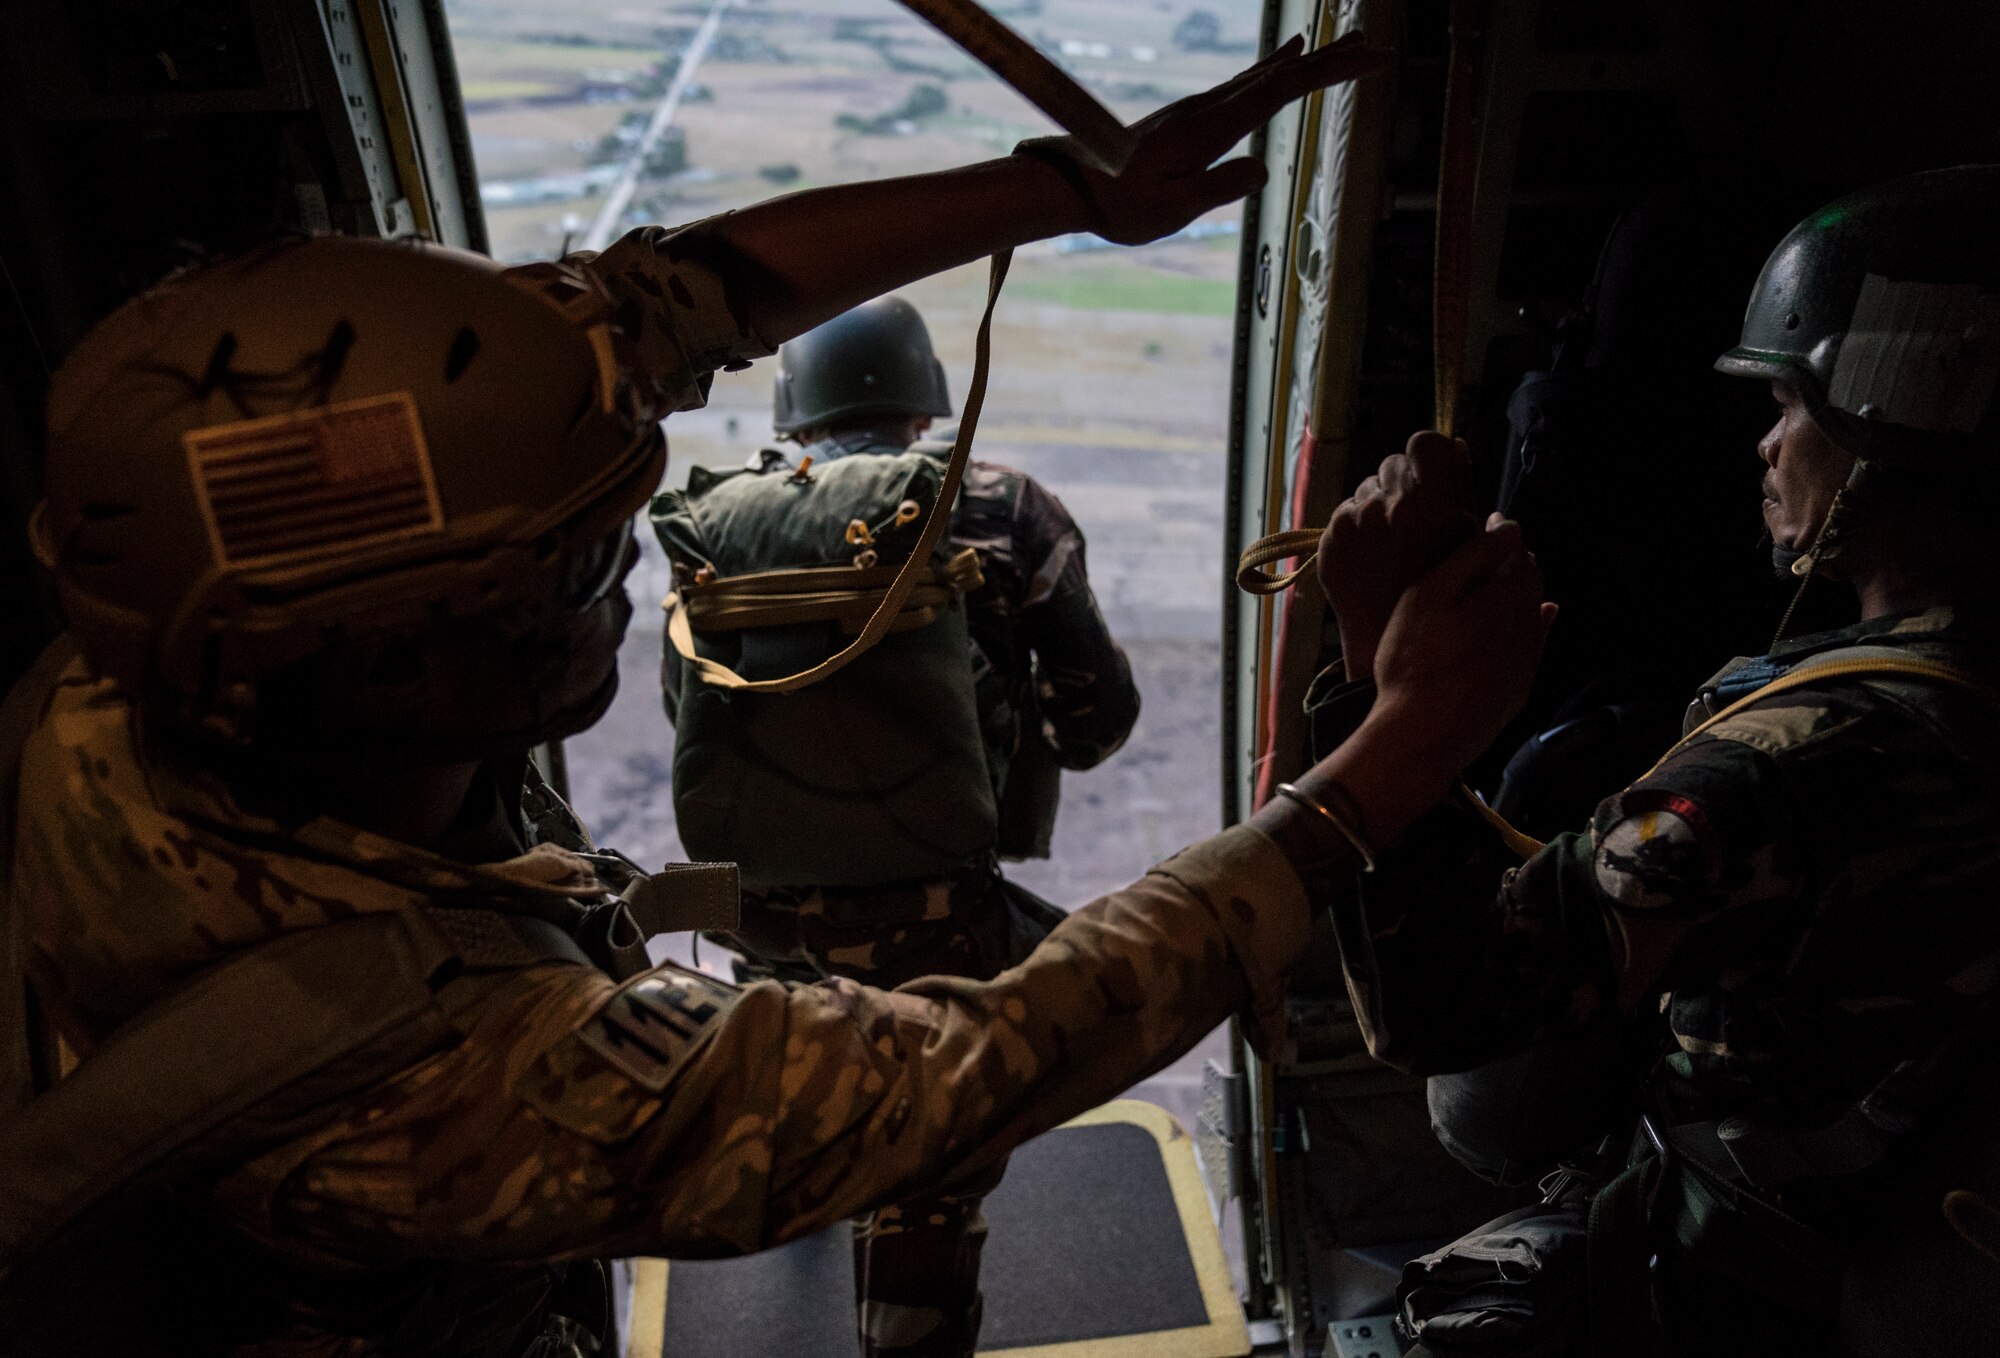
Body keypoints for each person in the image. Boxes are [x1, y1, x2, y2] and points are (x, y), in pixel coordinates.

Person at [0, 37, 1561, 1358]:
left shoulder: (152, 650)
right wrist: (1401, 742)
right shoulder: (459, 1094)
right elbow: (982, 1060)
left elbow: (673, 298)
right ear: (400, 659)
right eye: (572, 555)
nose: (628, 555)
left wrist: (1078, 190)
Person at [1306, 166, 2000, 1354]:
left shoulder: (1792, 760)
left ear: (1893, 407)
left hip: (1764, 1277)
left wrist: (1380, 678)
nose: (1767, 445)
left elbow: (1446, 1017)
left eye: (1788, 403)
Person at [657, 294, 1140, 1357]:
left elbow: (689, 713)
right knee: (934, 1150)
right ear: (925, 402)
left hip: (766, 926)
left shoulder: (722, 519)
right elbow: (1097, 719)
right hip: (939, 930)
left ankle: (805, 1180)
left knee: (801, 1075)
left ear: (796, 412)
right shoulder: (1004, 507)